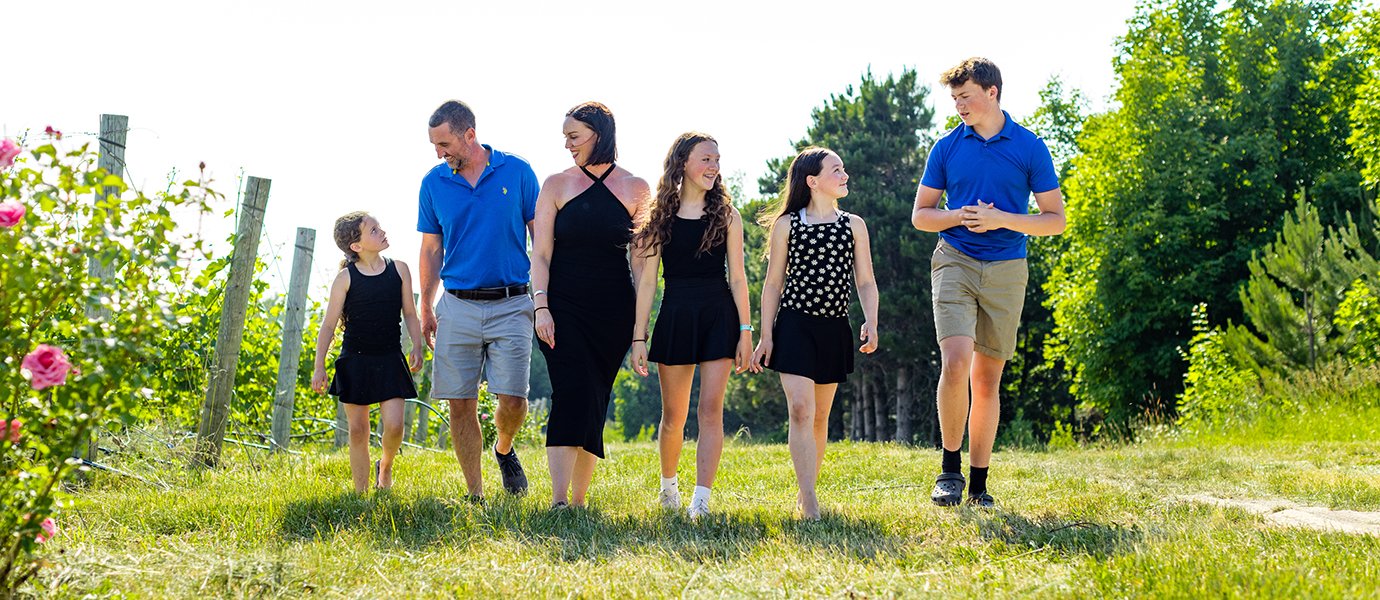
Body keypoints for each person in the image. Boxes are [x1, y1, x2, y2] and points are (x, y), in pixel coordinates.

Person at [911, 57, 1066, 508]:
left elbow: (1055, 221)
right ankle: (949, 472)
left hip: (1006, 269)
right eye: (954, 98)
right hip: (953, 259)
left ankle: (979, 485)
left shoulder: (1030, 147)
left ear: (992, 92)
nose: (959, 105)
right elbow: (921, 215)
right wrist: (959, 215)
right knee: (956, 361)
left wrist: (1001, 219)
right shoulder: (945, 147)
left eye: (966, 96)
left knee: (986, 378)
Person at [418, 100, 540, 500]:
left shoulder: (517, 172)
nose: (439, 153)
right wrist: (425, 305)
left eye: (445, 143)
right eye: (435, 145)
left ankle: (503, 447)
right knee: (459, 404)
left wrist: (544, 298)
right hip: (457, 304)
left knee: (514, 400)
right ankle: (476, 493)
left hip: (511, 303)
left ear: (470, 135)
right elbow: (431, 249)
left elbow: (541, 240)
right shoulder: (433, 183)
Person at [532, 101, 650, 509]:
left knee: (594, 397)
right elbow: (541, 255)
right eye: (565, 136)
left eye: (574, 136)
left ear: (599, 134)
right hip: (561, 308)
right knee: (571, 390)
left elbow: (642, 265)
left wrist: (639, 330)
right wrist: (540, 306)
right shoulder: (555, 185)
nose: (567, 144)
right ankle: (559, 501)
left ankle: (579, 503)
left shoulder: (637, 188)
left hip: (613, 312)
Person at [629, 132, 754, 519]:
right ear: (683, 162)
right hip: (676, 316)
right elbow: (648, 281)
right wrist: (639, 336)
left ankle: (701, 500)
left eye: (717, 159)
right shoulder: (659, 218)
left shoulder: (727, 216)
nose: (714, 166)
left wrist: (746, 332)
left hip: (719, 316)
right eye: (705, 159)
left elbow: (738, 278)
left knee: (710, 412)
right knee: (673, 417)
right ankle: (669, 488)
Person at [751, 147, 879, 520]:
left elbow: (866, 281)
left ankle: (806, 489)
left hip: (834, 328)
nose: (845, 176)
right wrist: (766, 336)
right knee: (801, 410)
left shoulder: (853, 225)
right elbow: (773, 284)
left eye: (843, 170)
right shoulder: (787, 225)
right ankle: (809, 500)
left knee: (820, 417)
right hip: (794, 325)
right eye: (836, 170)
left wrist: (871, 319)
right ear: (813, 181)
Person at [311, 212, 423, 493]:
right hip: (355, 360)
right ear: (356, 246)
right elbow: (328, 326)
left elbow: (410, 313)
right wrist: (319, 366)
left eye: (379, 227)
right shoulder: (344, 279)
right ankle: (360, 493)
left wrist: (417, 346)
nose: (382, 231)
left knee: (395, 426)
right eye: (373, 230)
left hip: (390, 358)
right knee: (358, 430)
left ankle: (384, 466)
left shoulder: (399, 269)